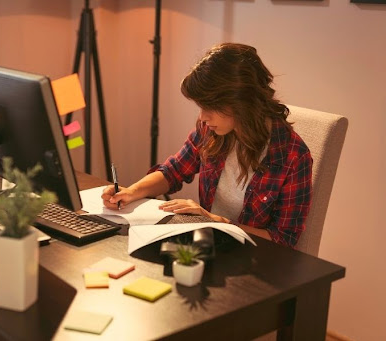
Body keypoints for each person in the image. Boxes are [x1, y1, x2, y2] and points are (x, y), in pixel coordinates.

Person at [102, 43, 312, 248]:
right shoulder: (213, 130)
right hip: (208, 244)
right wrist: (131, 192)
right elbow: (174, 171)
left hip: (253, 259)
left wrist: (215, 221)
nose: (202, 117)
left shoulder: (292, 156)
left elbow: (283, 240)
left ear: (242, 101)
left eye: (210, 107)